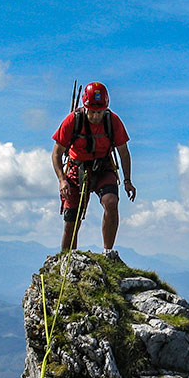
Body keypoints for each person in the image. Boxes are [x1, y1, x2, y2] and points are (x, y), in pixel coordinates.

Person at [51, 82, 136, 254]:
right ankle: (67, 260)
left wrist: (127, 181)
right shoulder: (72, 121)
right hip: (76, 170)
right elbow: (56, 154)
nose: (96, 116)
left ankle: (108, 253)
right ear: (85, 107)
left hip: (103, 167)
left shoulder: (113, 121)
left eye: (100, 112)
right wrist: (62, 180)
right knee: (71, 221)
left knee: (111, 202)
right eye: (92, 112)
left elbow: (124, 153)